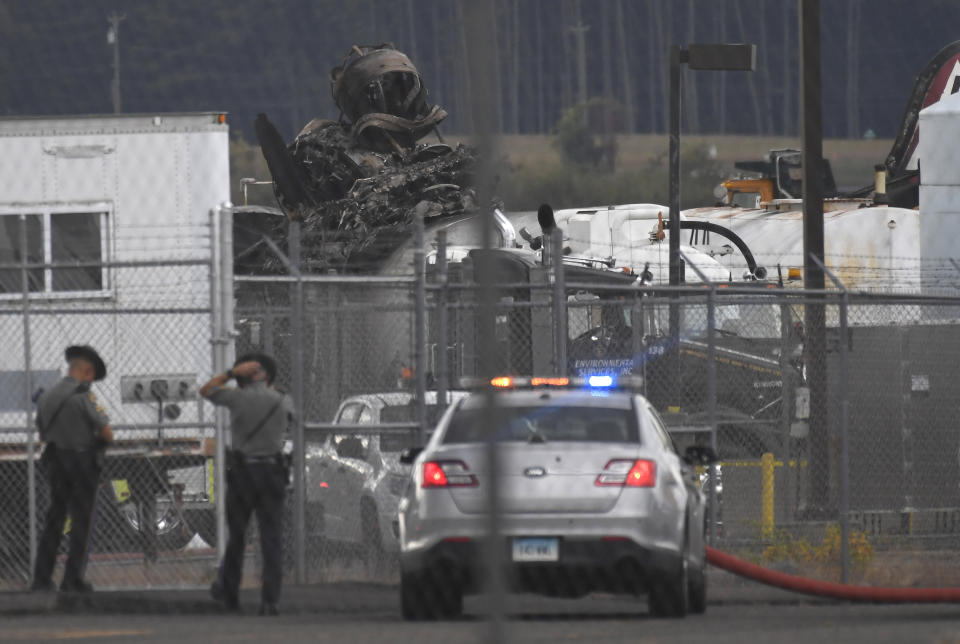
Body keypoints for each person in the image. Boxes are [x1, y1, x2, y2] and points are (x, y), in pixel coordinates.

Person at [201, 353, 292, 616]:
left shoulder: (236, 398)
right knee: (271, 538)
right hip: (273, 472)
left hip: (243, 473)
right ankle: (271, 600)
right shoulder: (282, 400)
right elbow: (294, 420)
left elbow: (206, 390)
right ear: (268, 376)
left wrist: (230, 372)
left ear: (245, 375)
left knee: (238, 537)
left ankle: (230, 595)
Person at [31, 345, 113, 593]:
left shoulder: (45, 397)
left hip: (56, 463)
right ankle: (72, 579)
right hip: (82, 465)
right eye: (92, 377)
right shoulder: (83, 397)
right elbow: (106, 433)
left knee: (54, 520)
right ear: (87, 372)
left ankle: (41, 579)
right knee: (81, 523)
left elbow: (43, 433)